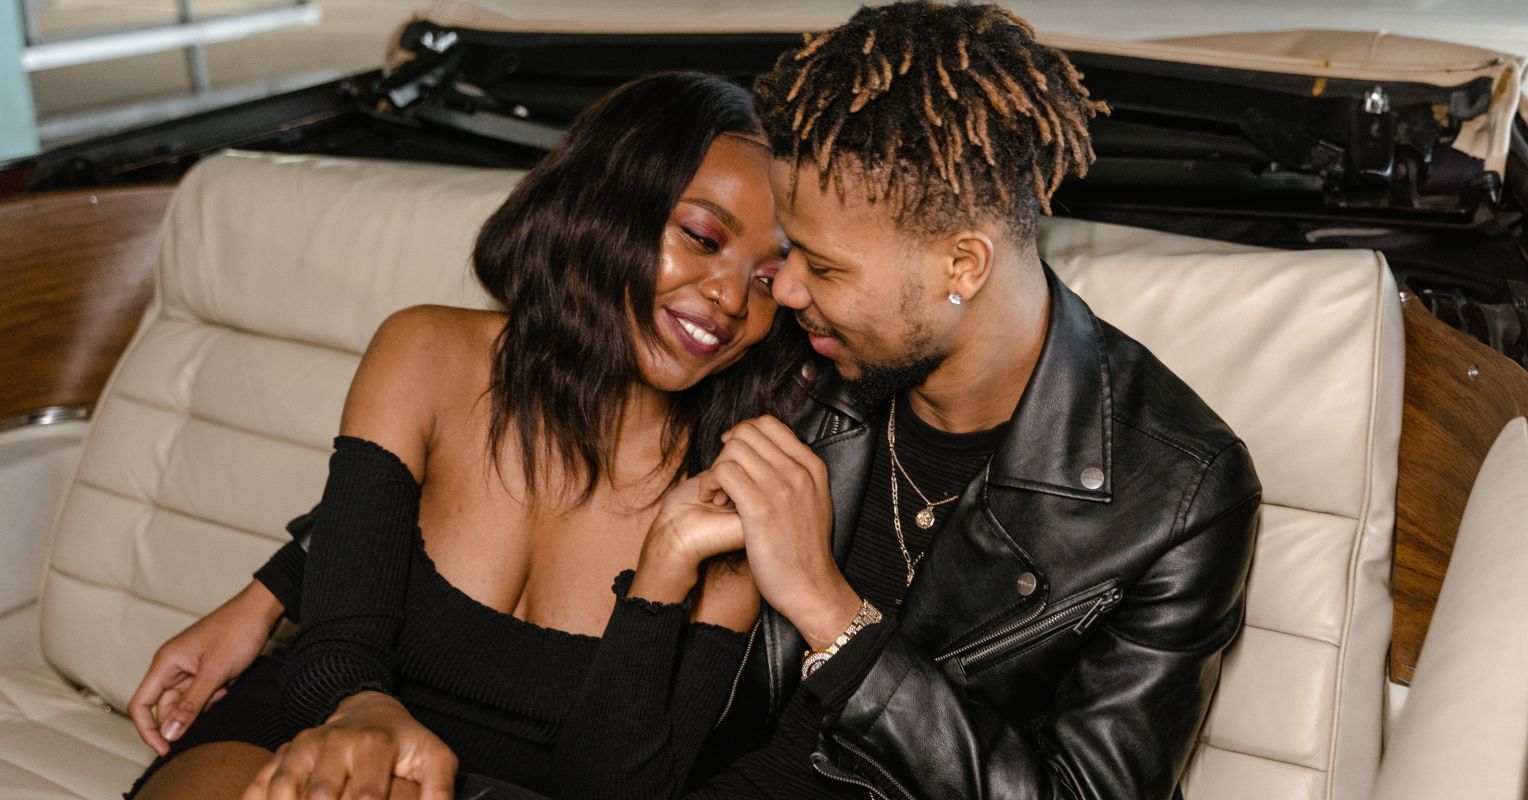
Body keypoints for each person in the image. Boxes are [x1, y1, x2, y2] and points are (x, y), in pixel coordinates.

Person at [138, 4, 1262, 799]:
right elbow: (479, 460)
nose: (771, 298)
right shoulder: (815, 372)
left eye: (812, 267)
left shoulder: (1170, 494)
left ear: (960, 264)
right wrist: (273, 588)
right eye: (777, 259)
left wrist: (831, 617)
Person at [124, 71, 811, 800]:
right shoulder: (425, 353)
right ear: (606, 204)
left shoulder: (732, 495)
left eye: (768, 279)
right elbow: (337, 643)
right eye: (702, 238)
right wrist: (357, 704)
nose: (731, 298)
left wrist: (663, 573)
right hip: (321, 728)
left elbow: (625, 790)